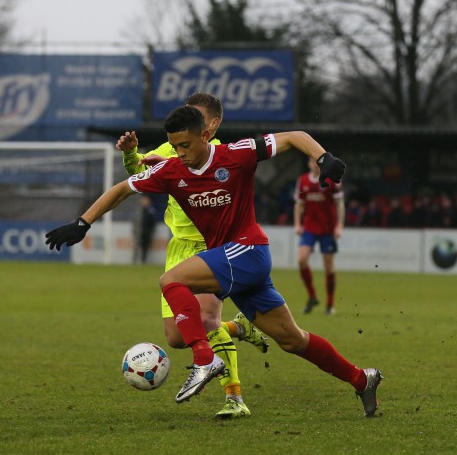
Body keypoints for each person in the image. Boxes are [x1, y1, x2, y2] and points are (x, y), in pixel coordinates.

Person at [47, 106, 383, 417]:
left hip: (248, 250)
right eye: (173, 146)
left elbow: (294, 137)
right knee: (293, 340)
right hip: (234, 263)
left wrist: (322, 157)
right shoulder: (172, 169)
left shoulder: (236, 155)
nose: (179, 153)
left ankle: (205, 361)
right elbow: (122, 189)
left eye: (185, 145)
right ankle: (362, 379)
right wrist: (82, 223)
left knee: (170, 281)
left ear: (205, 135)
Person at [115, 93, 269, 420]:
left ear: (211, 126)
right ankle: (239, 328)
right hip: (178, 247)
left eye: (196, 118)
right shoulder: (171, 149)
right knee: (176, 337)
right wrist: (130, 155)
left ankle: (234, 398)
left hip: (212, 246)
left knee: (208, 321)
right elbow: (138, 172)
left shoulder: (220, 154)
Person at [293, 156, 345, 315]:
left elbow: (339, 204)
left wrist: (339, 226)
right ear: (309, 164)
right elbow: (299, 205)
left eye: (318, 163)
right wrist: (297, 224)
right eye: (312, 162)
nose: (315, 166)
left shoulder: (330, 180)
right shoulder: (303, 181)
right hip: (310, 228)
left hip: (328, 230)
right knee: (301, 259)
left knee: (329, 268)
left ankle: (330, 304)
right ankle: (312, 296)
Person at [132, 194, 157, 263]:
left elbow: (152, 224)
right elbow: (135, 223)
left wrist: (150, 233)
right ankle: (134, 262)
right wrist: (134, 232)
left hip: (147, 233)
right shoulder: (139, 212)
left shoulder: (151, 212)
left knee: (145, 249)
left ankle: (143, 262)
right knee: (136, 248)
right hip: (138, 233)